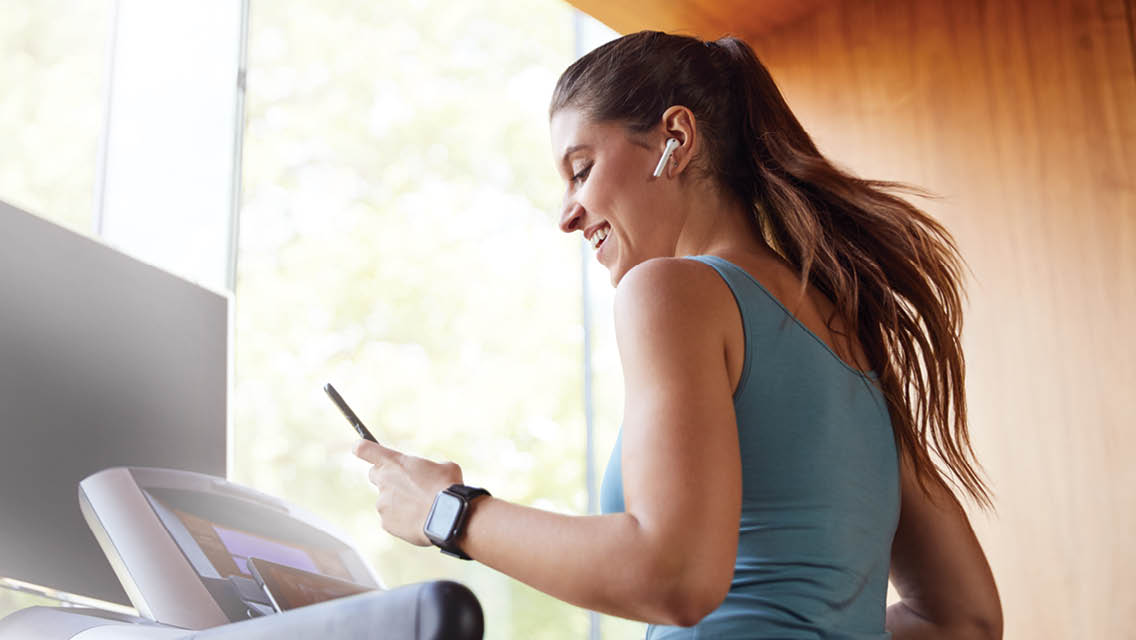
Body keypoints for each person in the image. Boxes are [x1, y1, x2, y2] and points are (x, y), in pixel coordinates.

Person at [352, 30, 1002, 639]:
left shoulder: (672, 290)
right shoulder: (844, 328)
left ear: (676, 138)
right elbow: (963, 620)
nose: (566, 215)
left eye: (581, 169)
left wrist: (448, 511)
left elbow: (675, 577)